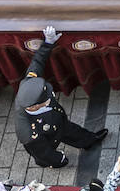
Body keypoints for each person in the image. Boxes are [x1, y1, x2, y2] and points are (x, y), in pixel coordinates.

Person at [14, 25, 107, 167]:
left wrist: (48, 43)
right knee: (49, 157)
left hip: (58, 122)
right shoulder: (29, 134)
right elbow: (42, 152)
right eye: (47, 97)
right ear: (34, 106)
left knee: (72, 131)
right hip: (47, 138)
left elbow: (37, 62)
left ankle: (89, 140)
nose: (51, 95)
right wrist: (58, 159)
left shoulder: (30, 83)